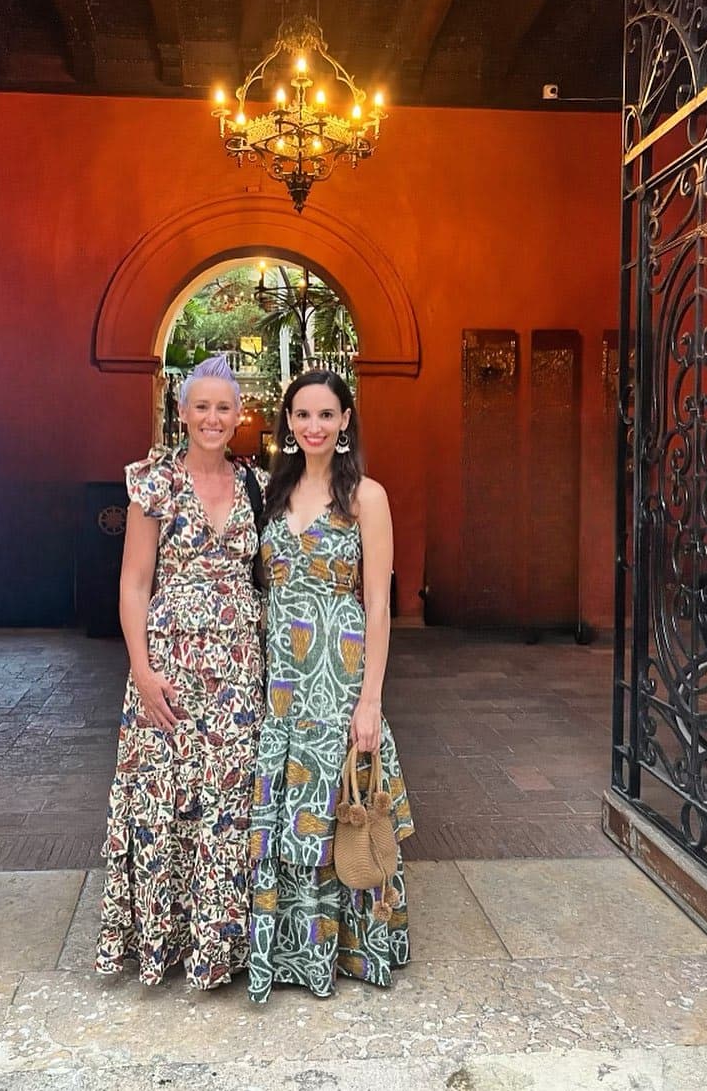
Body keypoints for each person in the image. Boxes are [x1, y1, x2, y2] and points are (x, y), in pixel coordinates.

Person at [96, 355, 266, 989]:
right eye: (202, 406)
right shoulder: (155, 483)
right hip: (169, 672)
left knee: (227, 807)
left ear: (239, 414)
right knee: (164, 800)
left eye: (224, 407)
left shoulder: (255, 484)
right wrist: (140, 667)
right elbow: (134, 582)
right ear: (182, 411)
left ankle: (220, 950)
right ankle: (161, 945)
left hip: (239, 675)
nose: (213, 418)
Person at [247, 369, 413, 1003]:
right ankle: (285, 951)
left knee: (340, 805)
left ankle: (348, 950)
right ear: (288, 422)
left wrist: (369, 699)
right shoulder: (272, 490)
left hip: (337, 677)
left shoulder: (367, 497)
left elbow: (378, 605)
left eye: (325, 414)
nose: (312, 426)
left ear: (346, 421)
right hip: (280, 679)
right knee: (285, 813)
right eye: (301, 414)